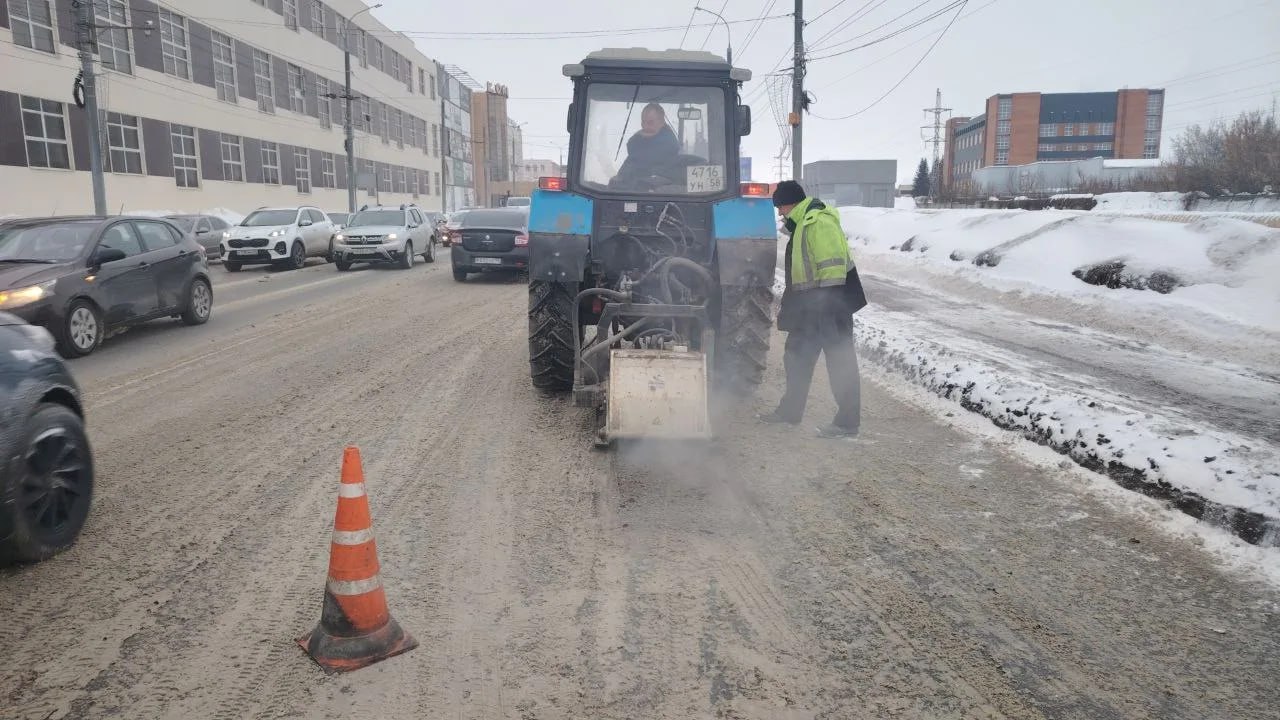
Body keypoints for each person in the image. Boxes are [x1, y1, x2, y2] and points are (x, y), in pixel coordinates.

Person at [758, 181, 866, 438]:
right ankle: (790, 412)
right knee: (796, 358)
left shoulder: (818, 221)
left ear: (790, 203)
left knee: (840, 362)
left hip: (831, 306)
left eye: (780, 207)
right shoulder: (802, 224)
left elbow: (833, 266)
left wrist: (828, 305)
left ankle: (847, 424)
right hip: (810, 308)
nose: (779, 213)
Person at [613, 103, 680, 186]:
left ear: (662, 122)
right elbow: (625, 172)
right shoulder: (641, 145)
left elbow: (641, 163)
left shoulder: (668, 145)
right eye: (643, 122)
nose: (645, 127)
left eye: (650, 123)